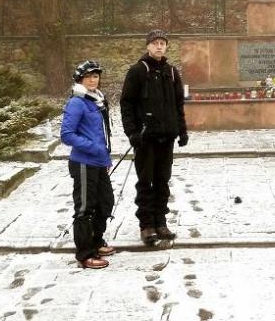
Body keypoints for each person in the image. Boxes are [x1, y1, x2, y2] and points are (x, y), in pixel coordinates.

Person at [120, 29, 189, 245]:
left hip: (166, 137)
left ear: (166, 46)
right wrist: (132, 132)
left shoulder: (172, 72)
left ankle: (161, 222)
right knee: (145, 182)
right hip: (145, 138)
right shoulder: (138, 71)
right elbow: (126, 104)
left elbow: (178, 104)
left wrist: (182, 130)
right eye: (155, 43)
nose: (159, 46)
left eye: (162, 43)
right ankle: (147, 225)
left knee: (162, 180)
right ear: (148, 46)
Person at [60, 60, 115, 270]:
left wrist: (105, 157)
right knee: (85, 208)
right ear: (80, 79)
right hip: (83, 162)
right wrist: (93, 148)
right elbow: (67, 135)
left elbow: (100, 134)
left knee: (105, 203)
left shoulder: (96, 101)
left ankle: (96, 241)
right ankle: (85, 254)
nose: (93, 80)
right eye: (88, 76)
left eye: (96, 76)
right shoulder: (77, 102)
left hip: (98, 162)